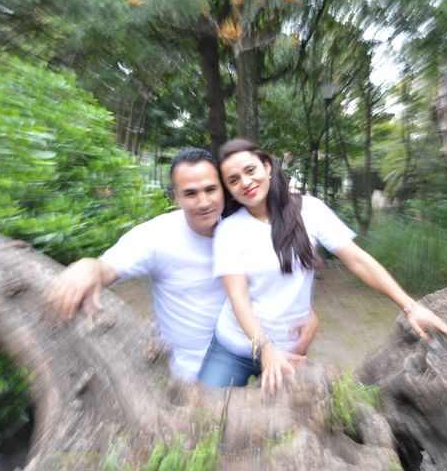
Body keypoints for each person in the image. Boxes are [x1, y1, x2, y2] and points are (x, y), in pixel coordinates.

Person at [197, 138, 447, 392]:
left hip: (292, 348)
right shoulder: (229, 230)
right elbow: (237, 296)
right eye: (233, 180)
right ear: (229, 189)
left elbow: (358, 261)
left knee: (287, 430)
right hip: (233, 348)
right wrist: (265, 349)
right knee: (204, 420)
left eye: (250, 170)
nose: (245, 182)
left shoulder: (310, 210)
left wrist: (410, 307)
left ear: (267, 167)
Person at [49, 147, 320, 381]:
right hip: (189, 376)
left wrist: (306, 314)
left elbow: (280, 280)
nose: (203, 202)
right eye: (190, 193)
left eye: (211, 190)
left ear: (223, 190)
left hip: (263, 355)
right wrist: (87, 265)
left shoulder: (245, 228)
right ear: (175, 197)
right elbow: (106, 269)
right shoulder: (155, 237)